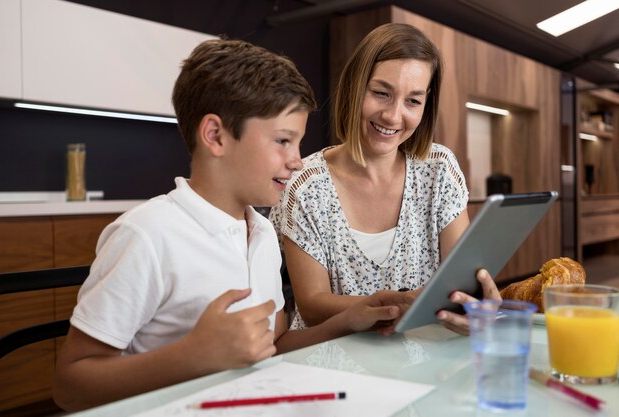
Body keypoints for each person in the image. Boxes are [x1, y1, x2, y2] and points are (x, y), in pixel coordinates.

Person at [52, 38, 414, 412]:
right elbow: (69, 385)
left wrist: (346, 322)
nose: (297, 161)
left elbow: (269, 347)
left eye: (298, 143)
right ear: (216, 136)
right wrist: (193, 355)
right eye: (283, 141)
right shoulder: (147, 235)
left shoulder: (262, 234)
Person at [269, 23, 500, 333]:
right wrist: (398, 306)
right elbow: (311, 307)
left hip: (420, 356)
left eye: (413, 101)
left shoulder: (439, 170)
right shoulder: (305, 185)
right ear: (354, 86)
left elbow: (459, 279)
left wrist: (472, 302)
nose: (393, 116)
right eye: (381, 93)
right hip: (331, 361)